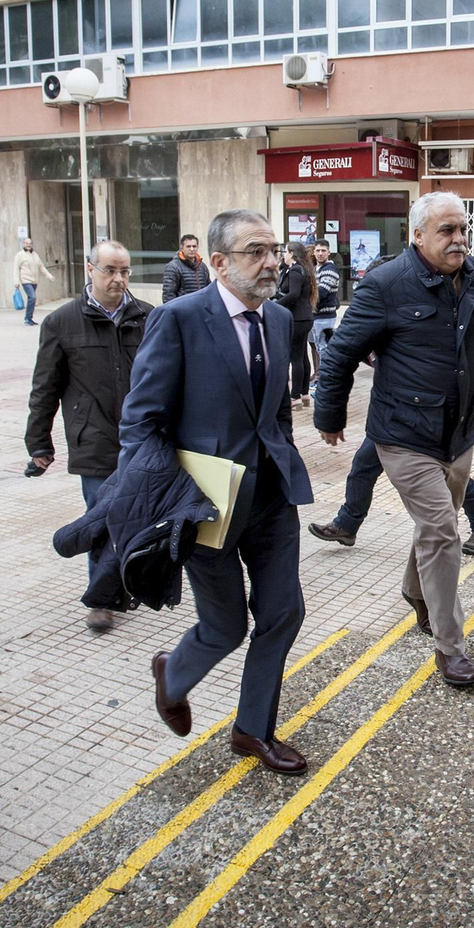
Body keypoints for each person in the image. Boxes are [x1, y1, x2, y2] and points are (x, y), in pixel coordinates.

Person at [120, 208, 313, 774]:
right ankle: (172, 673)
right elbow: (139, 422)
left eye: (274, 249)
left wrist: (283, 454)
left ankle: (252, 729)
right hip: (206, 504)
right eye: (257, 251)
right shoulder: (178, 319)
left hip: (271, 497)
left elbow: (274, 408)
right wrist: (169, 496)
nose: (272, 261)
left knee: (283, 613)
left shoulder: (276, 319)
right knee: (226, 625)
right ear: (219, 262)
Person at [313, 191, 474, 688]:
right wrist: (329, 416)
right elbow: (339, 356)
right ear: (417, 235)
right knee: (443, 528)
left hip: (461, 432)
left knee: (440, 521)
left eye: (462, 229)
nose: (459, 239)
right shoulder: (384, 286)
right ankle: (450, 647)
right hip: (403, 434)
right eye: (446, 231)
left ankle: (416, 591)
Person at [25, 240, 153, 632]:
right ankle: (101, 600)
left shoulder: (148, 317)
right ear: (89, 270)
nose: (118, 279)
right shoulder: (61, 323)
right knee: (101, 517)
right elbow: (44, 387)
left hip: (143, 438)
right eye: (110, 270)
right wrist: (39, 445)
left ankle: (129, 581)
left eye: (125, 271)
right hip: (93, 438)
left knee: (139, 515)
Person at [308, 439, 474, 554]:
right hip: (391, 417)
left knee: (452, 474)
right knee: (363, 466)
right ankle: (347, 525)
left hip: (431, 417)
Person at [277, 241, 316, 407]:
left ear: (292, 253)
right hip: (305, 317)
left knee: (295, 357)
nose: (283, 255)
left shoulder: (295, 270)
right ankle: (305, 393)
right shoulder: (304, 269)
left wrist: (275, 305)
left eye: (285, 252)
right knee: (302, 356)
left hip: (297, 318)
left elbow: (293, 294)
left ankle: (295, 397)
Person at [310, 242, 340, 378]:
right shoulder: (317, 268)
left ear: (329, 252)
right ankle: (322, 378)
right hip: (317, 315)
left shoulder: (330, 269)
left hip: (325, 316)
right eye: (318, 250)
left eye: (323, 250)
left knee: (324, 349)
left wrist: (306, 299)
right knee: (319, 348)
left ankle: (327, 379)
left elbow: (321, 292)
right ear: (314, 252)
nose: (320, 253)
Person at [13, 238, 56, 326]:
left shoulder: (35, 255)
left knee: (31, 299)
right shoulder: (20, 255)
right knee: (32, 297)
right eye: (26, 243)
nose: (28, 245)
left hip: (34, 281)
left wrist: (49, 276)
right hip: (26, 280)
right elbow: (16, 269)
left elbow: (41, 267)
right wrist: (16, 281)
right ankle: (27, 318)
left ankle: (29, 318)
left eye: (30, 243)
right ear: (23, 244)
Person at [161, 233, 211, 302]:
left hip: (201, 309)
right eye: (188, 246)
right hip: (183, 310)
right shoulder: (173, 267)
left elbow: (209, 289)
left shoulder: (202, 266)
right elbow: (168, 294)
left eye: (194, 246)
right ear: (181, 247)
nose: (191, 249)